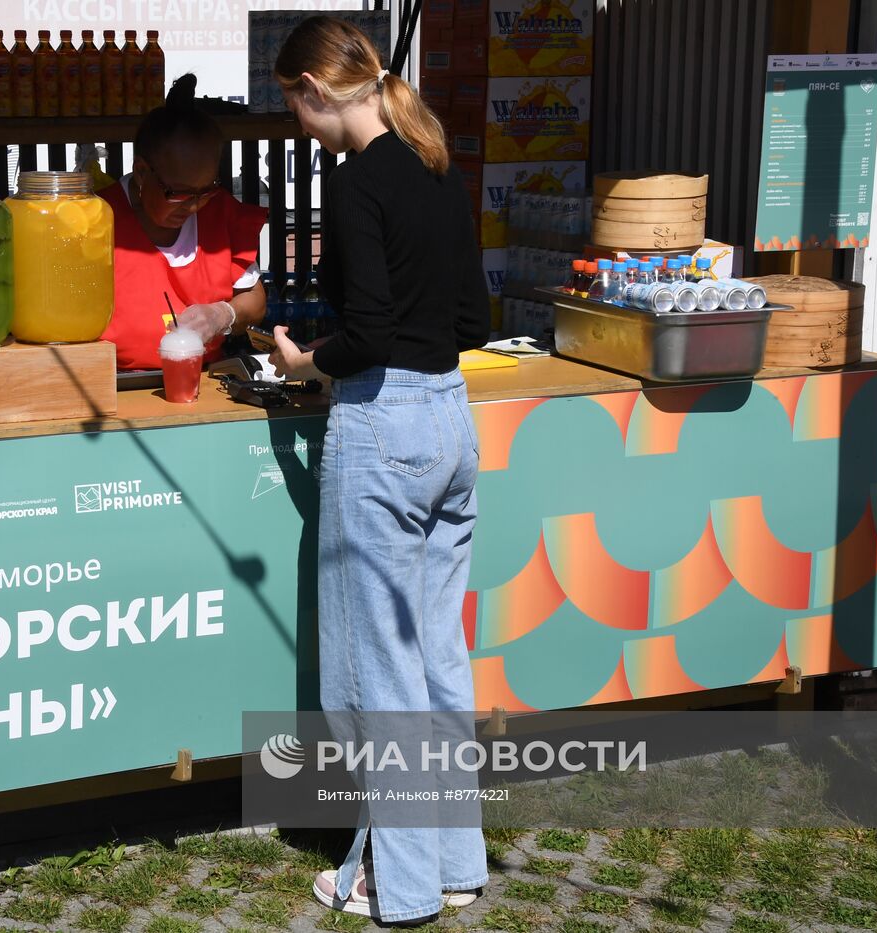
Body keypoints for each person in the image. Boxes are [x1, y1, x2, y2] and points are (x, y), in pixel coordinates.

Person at [266, 15, 490, 926]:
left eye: (293, 107)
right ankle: (453, 864)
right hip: (451, 419)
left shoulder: (357, 184)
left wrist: (303, 361)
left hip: (384, 425)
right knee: (437, 659)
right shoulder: (437, 169)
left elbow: (364, 331)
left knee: (372, 676)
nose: (297, 127)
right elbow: (471, 320)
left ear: (316, 92)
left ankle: (392, 885)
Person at [99, 77, 269, 370]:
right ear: (141, 172)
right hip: (113, 384)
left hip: (201, 380)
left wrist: (222, 314)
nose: (194, 205)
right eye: (177, 193)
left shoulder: (220, 212)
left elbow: (255, 299)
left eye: (205, 190)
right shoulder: (95, 218)